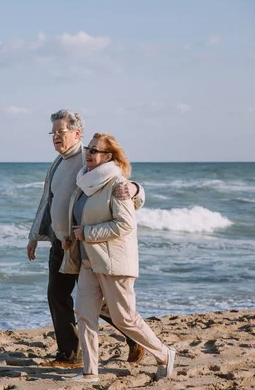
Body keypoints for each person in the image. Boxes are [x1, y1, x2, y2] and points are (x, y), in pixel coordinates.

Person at [27, 110, 146, 368]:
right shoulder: (58, 162)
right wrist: (34, 236)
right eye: (53, 133)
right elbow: (48, 201)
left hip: (80, 244)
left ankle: (132, 337)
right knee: (60, 296)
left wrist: (136, 189)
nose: (56, 137)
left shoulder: (88, 158)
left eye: (61, 132)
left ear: (77, 134)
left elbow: (122, 184)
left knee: (92, 301)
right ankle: (71, 354)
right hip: (61, 241)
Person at [61, 133, 175, 382]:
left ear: (108, 157)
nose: (88, 153)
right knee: (84, 314)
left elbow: (125, 225)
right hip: (89, 261)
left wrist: (87, 234)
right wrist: (70, 236)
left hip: (114, 262)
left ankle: (165, 354)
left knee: (124, 318)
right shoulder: (86, 183)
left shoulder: (117, 185)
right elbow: (82, 217)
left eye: (94, 150)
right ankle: (90, 372)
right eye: (88, 148)